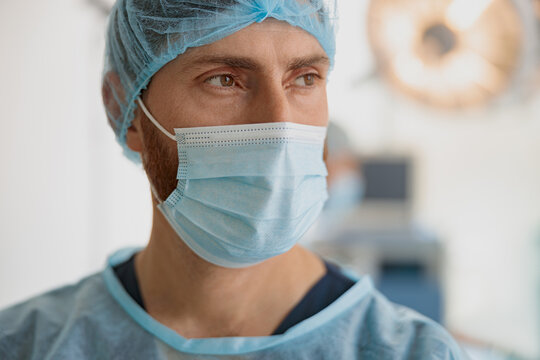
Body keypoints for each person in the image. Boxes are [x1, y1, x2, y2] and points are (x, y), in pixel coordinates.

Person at [0, 1, 469, 358]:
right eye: (224, 79)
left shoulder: (413, 350)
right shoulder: (26, 343)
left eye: (304, 78)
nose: (279, 127)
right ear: (126, 110)